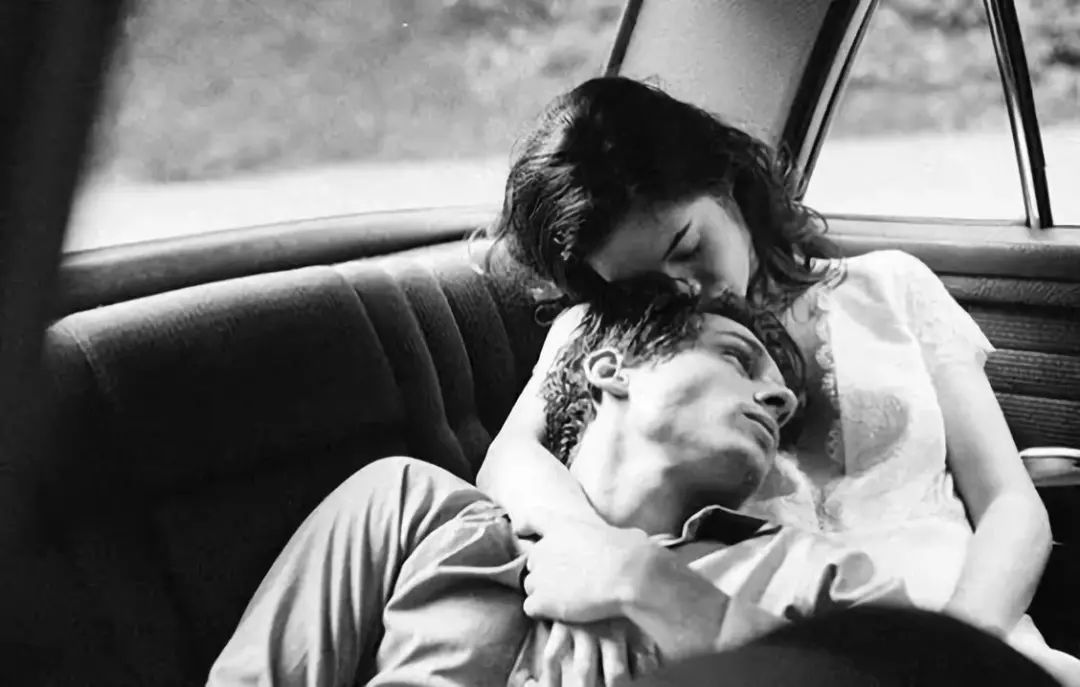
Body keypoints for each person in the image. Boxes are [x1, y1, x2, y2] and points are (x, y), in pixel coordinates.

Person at [477, 75, 1080, 683]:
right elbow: (511, 456)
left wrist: (954, 656)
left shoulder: (892, 286)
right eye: (646, 281)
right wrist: (598, 558)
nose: (687, 288)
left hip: (975, 639)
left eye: (687, 245)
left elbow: (1009, 503)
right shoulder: (608, 332)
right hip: (766, 660)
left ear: (724, 184)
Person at [207, 291, 949, 687]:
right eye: (737, 358)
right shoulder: (408, 508)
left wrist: (657, 589)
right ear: (610, 370)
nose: (778, 399)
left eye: (782, 402)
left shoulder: (815, 575)